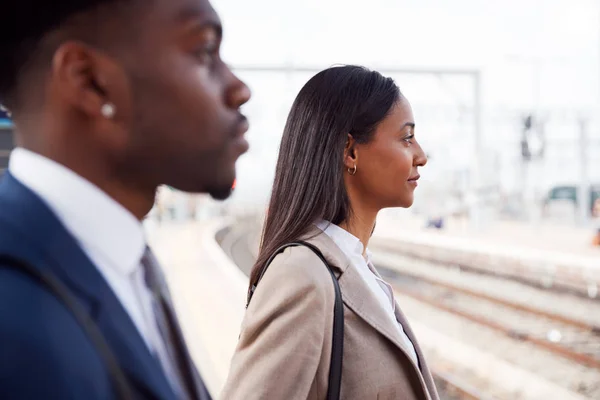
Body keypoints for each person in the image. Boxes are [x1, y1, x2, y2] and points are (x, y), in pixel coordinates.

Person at [0, 0, 250, 398]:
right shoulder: (16, 319)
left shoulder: (123, 261)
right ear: (89, 81)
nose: (240, 89)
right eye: (204, 53)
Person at [222, 65, 438, 400]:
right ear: (350, 151)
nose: (421, 156)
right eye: (406, 137)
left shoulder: (355, 265)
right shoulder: (301, 275)